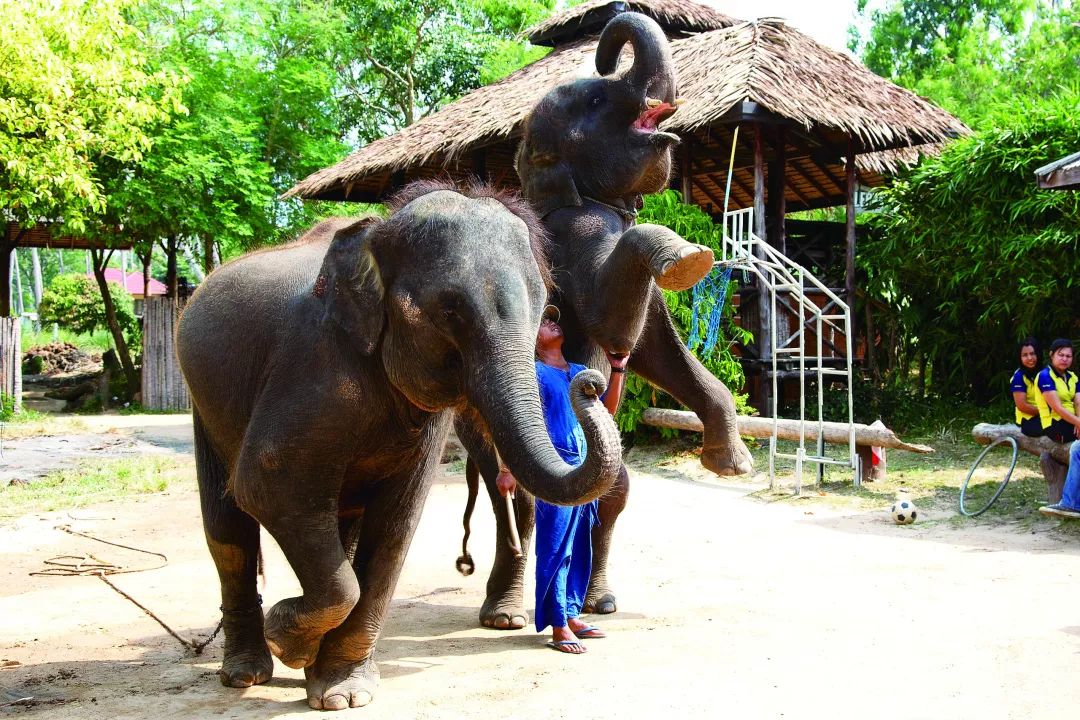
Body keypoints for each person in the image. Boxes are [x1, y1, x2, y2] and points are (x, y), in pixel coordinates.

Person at [496, 304, 627, 655]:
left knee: (580, 543)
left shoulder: (581, 372)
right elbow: (516, 423)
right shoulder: (535, 373)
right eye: (543, 322)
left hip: (587, 468)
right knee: (555, 546)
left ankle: (570, 613)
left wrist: (616, 370)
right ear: (533, 340)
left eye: (553, 319)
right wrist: (508, 469)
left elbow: (607, 411)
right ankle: (557, 624)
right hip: (553, 467)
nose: (552, 323)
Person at [1034, 338, 1080, 443]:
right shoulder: (1045, 376)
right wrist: (1078, 422)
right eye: (1061, 355)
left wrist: (1078, 420)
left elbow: (1078, 402)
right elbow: (1058, 408)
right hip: (1055, 425)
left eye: (1068, 356)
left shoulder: (1073, 377)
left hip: (1073, 420)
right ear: (1051, 355)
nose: (1065, 359)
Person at [1010, 337, 1043, 438]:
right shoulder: (1019, 377)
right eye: (1025, 355)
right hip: (1029, 420)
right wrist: (1046, 411)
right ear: (1019, 357)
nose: (1029, 358)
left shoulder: (1046, 372)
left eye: (1032, 354)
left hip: (1047, 415)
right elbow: (1022, 406)